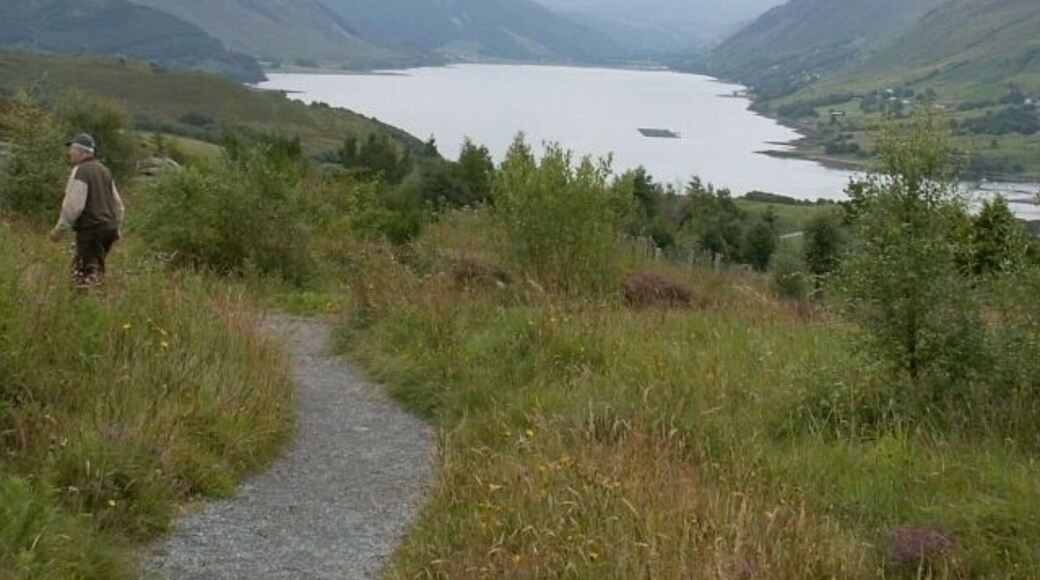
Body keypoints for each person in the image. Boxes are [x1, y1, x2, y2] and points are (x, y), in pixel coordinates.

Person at [49, 133, 124, 288]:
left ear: (80, 151)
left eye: (71, 149)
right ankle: (92, 303)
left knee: (84, 276)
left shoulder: (81, 171)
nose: (69, 153)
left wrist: (59, 230)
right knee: (95, 270)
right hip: (108, 229)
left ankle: (86, 305)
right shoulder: (104, 171)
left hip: (91, 230)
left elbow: (74, 205)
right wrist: (116, 228)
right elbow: (118, 205)